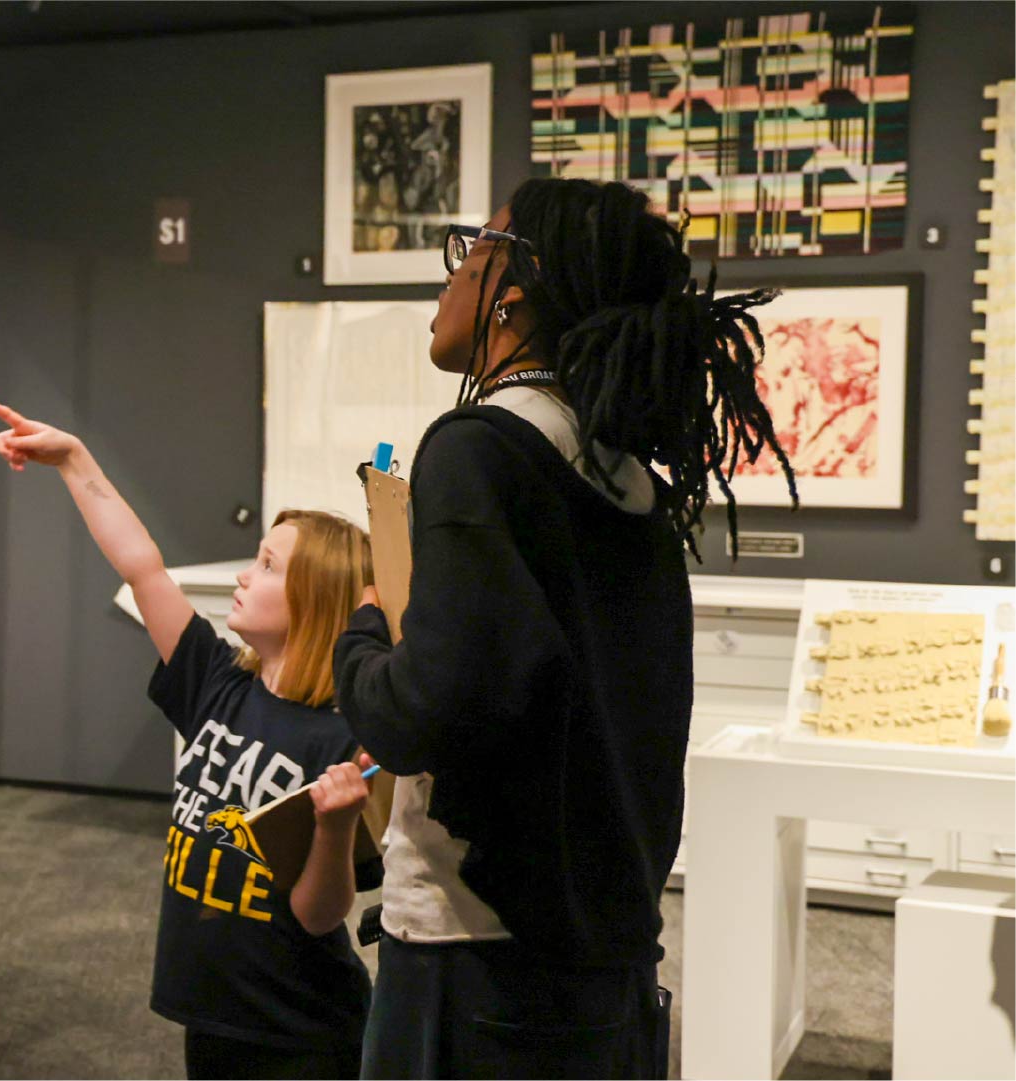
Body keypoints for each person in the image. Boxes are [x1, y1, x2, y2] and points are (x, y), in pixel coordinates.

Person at [308, 177, 797, 1079]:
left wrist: (361, 636)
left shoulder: (477, 445)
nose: (448, 282)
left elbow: (422, 713)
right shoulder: (630, 478)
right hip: (602, 945)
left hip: (474, 950)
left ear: (517, 281)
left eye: (470, 251)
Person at [0, 396, 380, 1081]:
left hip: (302, 1030)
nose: (240, 577)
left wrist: (336, 826)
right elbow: (142, 568)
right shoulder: (215, 682)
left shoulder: (345, 738)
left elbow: (319, 917)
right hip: (212, 1011)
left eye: (264, 565)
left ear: (314, 598)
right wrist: (74, 459)